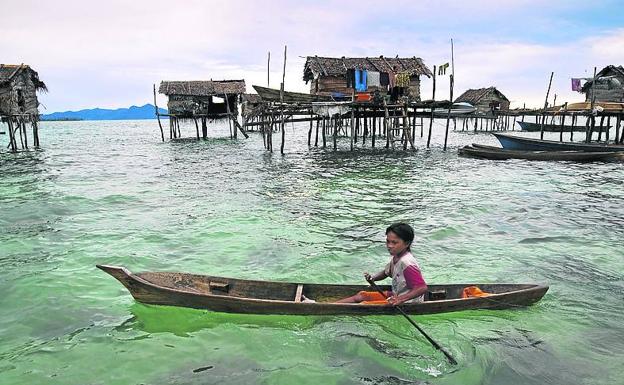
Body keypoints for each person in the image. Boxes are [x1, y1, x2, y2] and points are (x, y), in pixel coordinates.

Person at [336, 223, 427, 305]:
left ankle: (328, 308)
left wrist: (400, 299)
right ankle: (330, 305)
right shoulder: (396, 257)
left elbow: (421, 288)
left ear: (407, 243)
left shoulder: (407, 262)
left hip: (407, 302)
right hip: (396, 295)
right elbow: (386, 273)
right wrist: (373, 279)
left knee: (364, 304)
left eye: (394, 242)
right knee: (361, 296)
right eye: (388, 241)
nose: (389, 245)